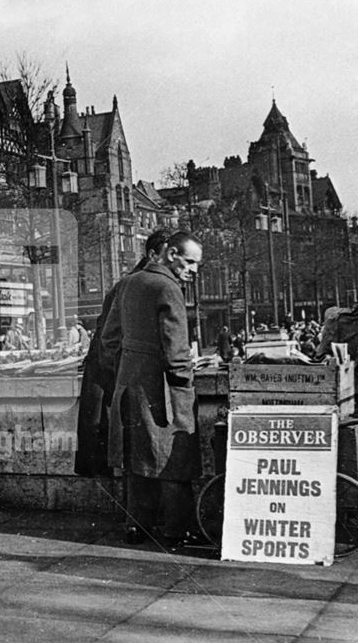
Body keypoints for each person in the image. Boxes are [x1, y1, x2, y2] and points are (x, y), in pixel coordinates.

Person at [100, 231, 205, 550]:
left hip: (130, 386)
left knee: (137, 459)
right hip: (163, 390)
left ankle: (137, 527)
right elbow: (176, 353)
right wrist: (185, 380)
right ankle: (177, 530)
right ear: (171, 254)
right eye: (189, 262)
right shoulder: (168, 287)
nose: (193, 270)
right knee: (175, 458)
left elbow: (108, 339)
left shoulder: (128, 283)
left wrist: (130, 369)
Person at [76, 230, 170, 479]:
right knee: (121, 451)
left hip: (113, 371)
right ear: (153, 255)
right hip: (109, 375)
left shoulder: (137, 282)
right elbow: (109, 342)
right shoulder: (135, 286)